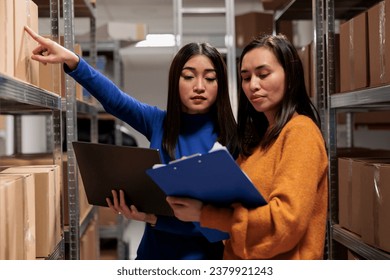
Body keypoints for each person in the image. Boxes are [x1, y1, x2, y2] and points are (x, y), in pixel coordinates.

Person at [24, 26, 238, 260]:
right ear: (175, 81)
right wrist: (73, 61)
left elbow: (227, 224)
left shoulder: (232, 138)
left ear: (220, 85)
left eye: (209, 78)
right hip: (151, 258)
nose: (199, 86)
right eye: (188, 76)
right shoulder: (159, 122)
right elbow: (116, 101)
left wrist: (153, 218)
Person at [166, 33, 329, 260]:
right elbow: (233, 214)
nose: (253, 85)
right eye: (245, 77)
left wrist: (205, 214)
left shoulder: (300, 132)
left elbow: (284, 223)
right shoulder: (259, 142)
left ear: (290, 77)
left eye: (263, 74)